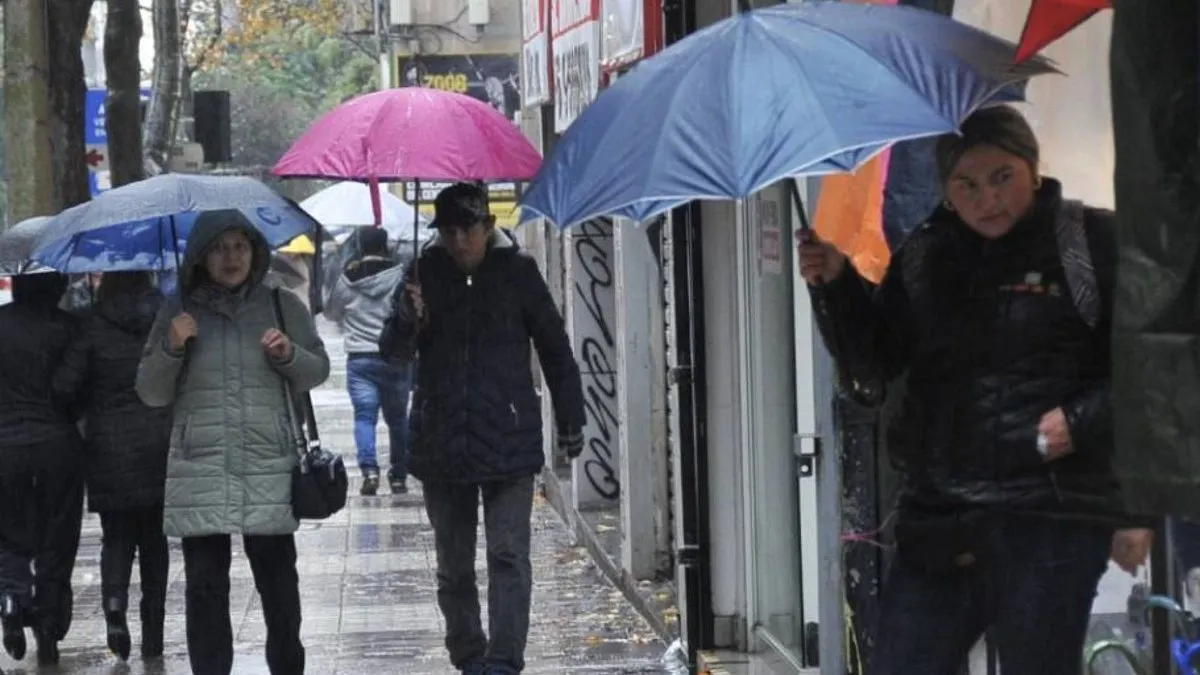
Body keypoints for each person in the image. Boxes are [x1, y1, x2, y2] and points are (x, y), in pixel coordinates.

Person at [796, 105, 1150, 675]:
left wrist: (1083, 423)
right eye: (967, 184)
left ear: (1032, 170)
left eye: (1002, 177)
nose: (987, 198)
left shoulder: (1091, 243)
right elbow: (875, 361)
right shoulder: (924, 253)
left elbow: (1148, 367)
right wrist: (835, 287)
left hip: (1050, 518)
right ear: (947, 189)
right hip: (942, 518)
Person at [380, 182, 585, 675]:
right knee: (453, 567)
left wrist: (571, 420)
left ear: (488, 226)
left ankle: (503, 662)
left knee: (508, 555)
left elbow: (555, 348)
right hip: (440, 440)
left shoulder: (518, 273)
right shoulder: (421, 274)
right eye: (447, 231)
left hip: (508, 440)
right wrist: (408, 318)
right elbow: (392, 354)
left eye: (466, 229)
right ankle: (468, 655)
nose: (457, 240)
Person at [136, 210, 330, 675]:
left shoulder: (281, 304)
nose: (231, 257)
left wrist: (288, 354)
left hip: (268, 461)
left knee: (280, 590)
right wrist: (173, 346)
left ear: (255, 252)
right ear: (202, 257)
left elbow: (316, 370)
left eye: (240, 246)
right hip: (200, 466)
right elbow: (150, 391)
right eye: (219, 248)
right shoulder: (178, 312)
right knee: (204, 593)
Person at [51, 271, 171, 662]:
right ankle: (153, 632)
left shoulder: (91, 325)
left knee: (116, 537)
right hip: (159, 443)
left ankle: (115, 605)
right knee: (155, 541)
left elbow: (65, 388)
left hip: (107, 447)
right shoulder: (166, 319)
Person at [0, 272, 85, 666]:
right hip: (58, 446)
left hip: (5, 447)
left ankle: (12, 597)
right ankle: (49, 626)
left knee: (8, 533)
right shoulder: (70, 328)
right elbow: (79, 389)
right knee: (57, 537)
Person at [325, 226, 412, 495]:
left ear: (360, 247)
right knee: (398, 420)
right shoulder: (400, 276)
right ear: (386, 246)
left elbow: (330, 313)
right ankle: (398, 476)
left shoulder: (346, 279)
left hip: (360, 360)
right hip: (395, 356)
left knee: (365, 418)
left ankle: (370, 471)